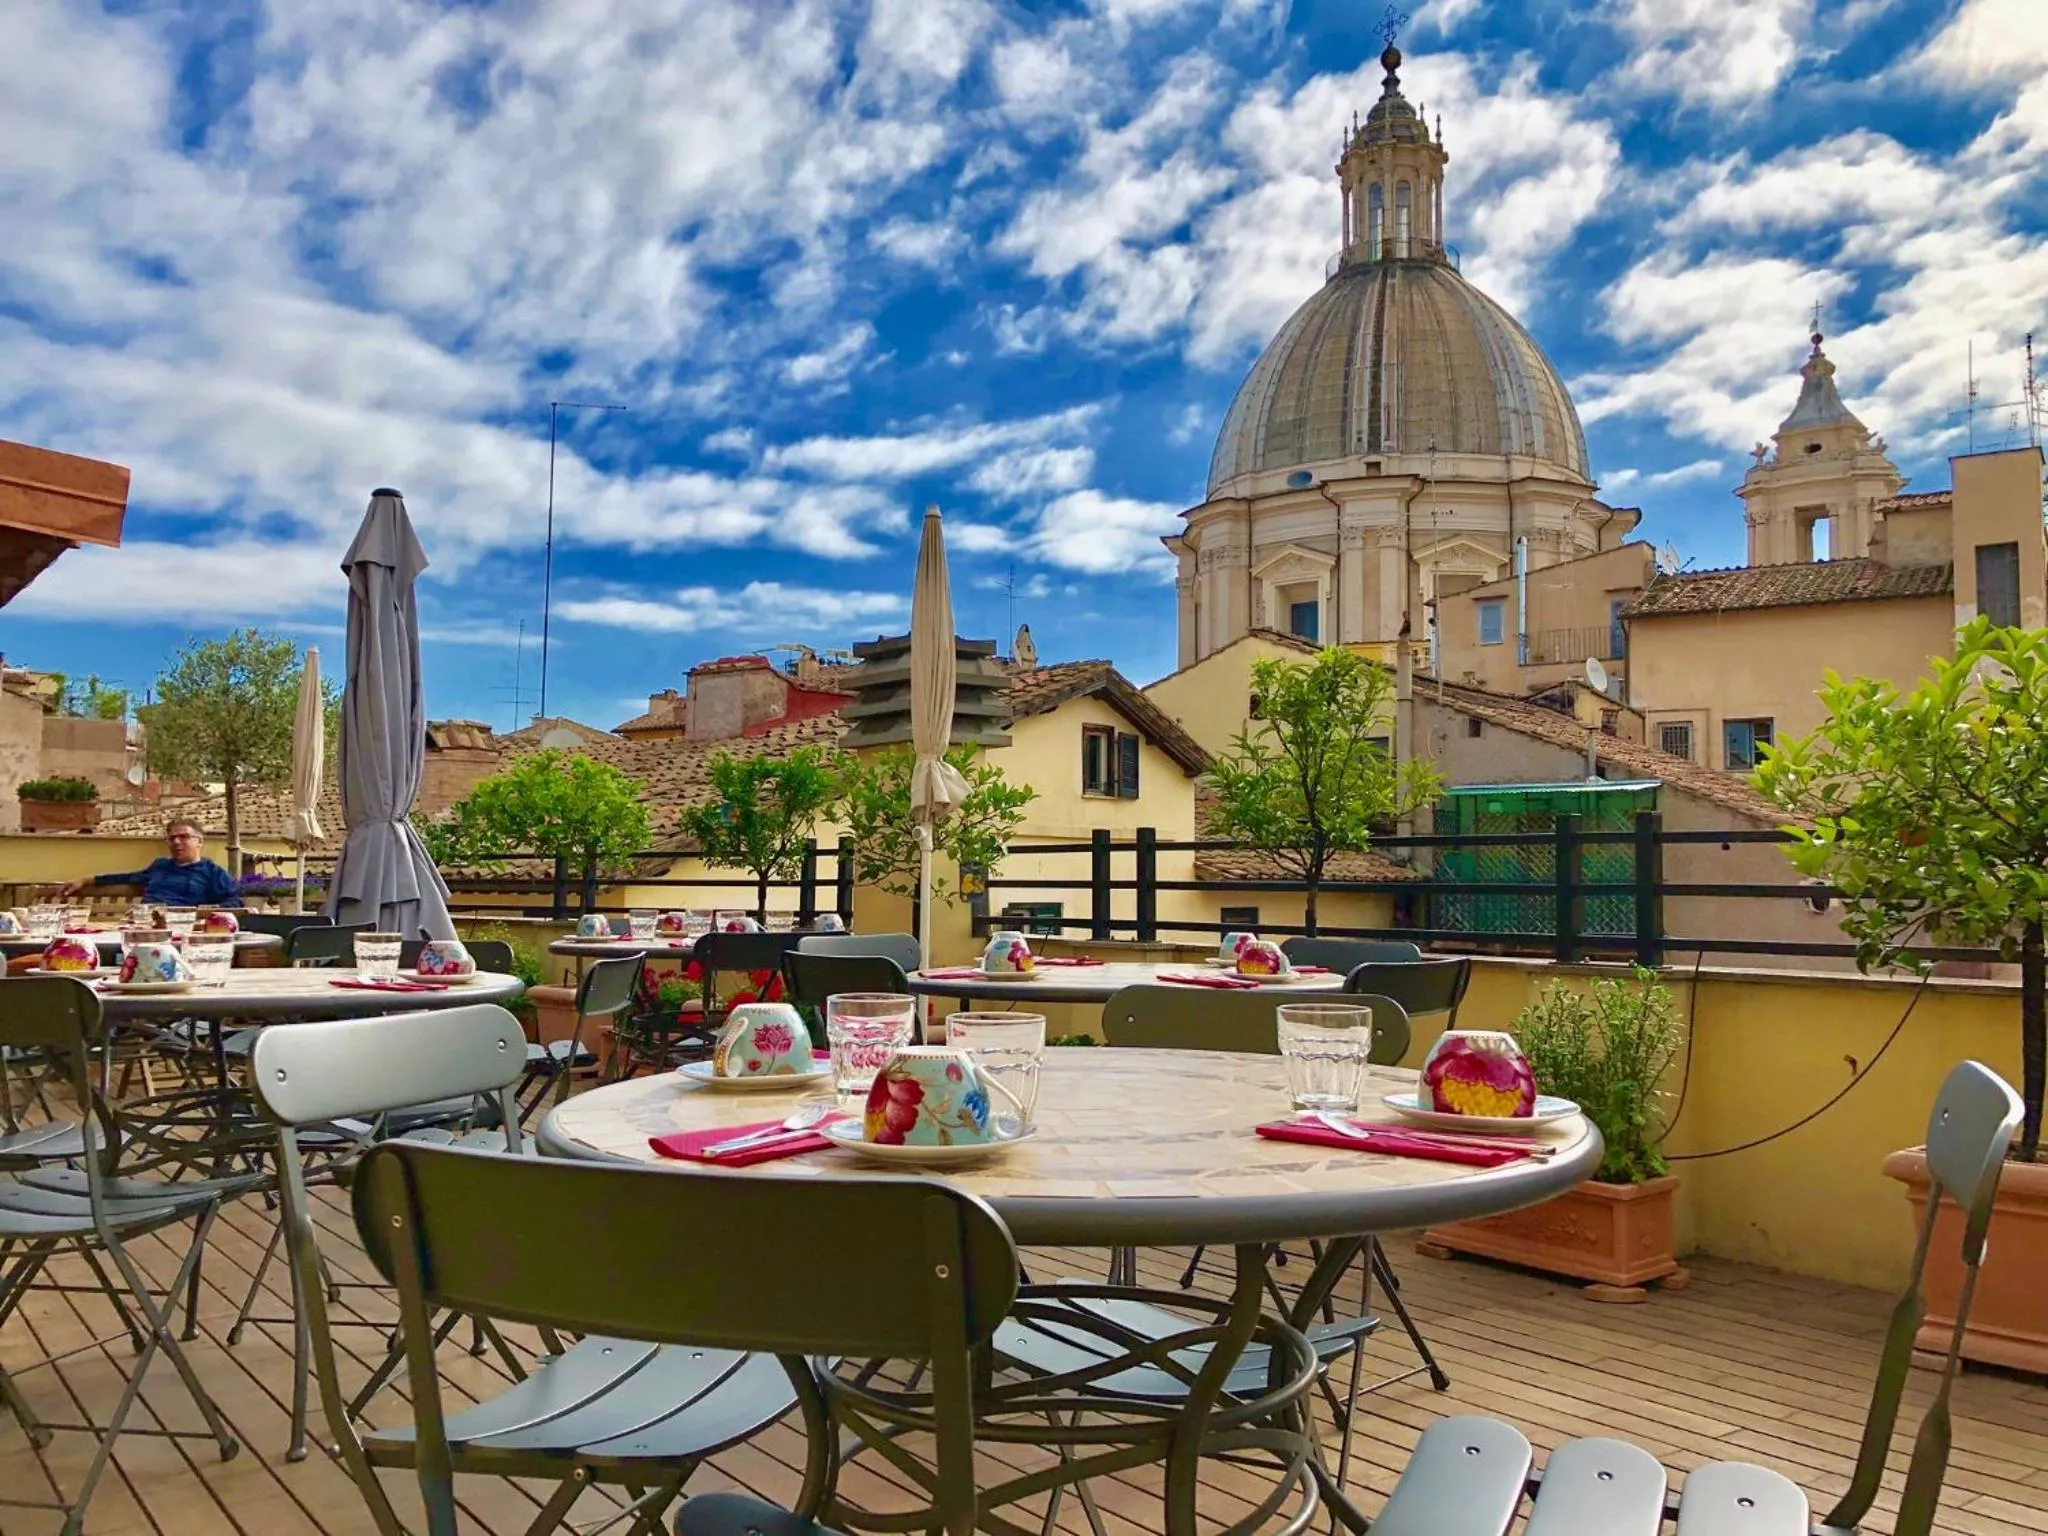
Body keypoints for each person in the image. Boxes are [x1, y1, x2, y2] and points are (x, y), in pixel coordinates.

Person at [62, 819, 242, 907]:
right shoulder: (160, 866)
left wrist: (204, 916)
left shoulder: (212, 872)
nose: (176, 842)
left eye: (184, 837)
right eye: (172, 838)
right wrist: (86, 880)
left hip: (181, 928)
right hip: (144, 923)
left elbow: (234, 901)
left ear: (199, 842)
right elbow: (126, 878)